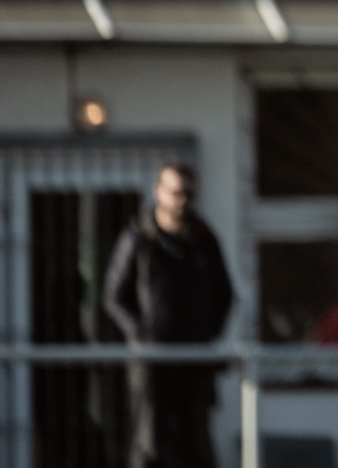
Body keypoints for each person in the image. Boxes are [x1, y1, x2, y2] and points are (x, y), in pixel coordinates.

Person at [103, 162, 236, 468]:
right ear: (157, 193)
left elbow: (225, 294)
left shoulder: (204, 240)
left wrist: (208, 334)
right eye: (174, 192)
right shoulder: (138, 238)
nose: (181, 199)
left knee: (197, 446)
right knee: (149, 447)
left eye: (188, 193)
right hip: (151, 365)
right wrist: (141, 336)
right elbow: (113, 297)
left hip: (194, 361)